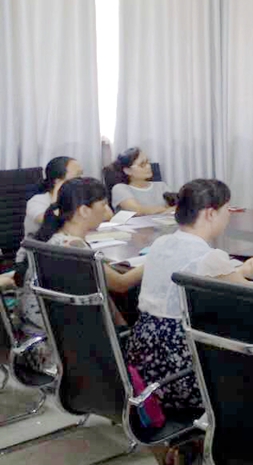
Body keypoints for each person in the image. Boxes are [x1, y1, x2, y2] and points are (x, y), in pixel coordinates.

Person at [127, 179, 253, 465]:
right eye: (226, 210)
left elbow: (208, 272)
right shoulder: (210, 257)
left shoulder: (161, 244)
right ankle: (238, 446)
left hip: (145, 365)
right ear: (210, 213)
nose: (228, 216)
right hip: (184, 374)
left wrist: (240, 269)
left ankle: (186, 443)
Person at [14, 178, 145, 372]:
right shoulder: (73, 248)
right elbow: (121, 284)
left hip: (34, 342)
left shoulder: (55, 240)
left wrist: (122, 328)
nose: (108, 211)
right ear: (84, 210)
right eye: (103, 205)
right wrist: (154, 259)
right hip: (56, 351)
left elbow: (100, 288)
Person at [24, 156, 82, 237]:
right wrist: (56, 199)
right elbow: (51, 222)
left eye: (82, 174)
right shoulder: (37, 202)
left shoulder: (77, 198)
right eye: (78, 177)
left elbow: (100, 216)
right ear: (58, 182)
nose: (82, 180)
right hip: (42, 244)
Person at [104, 147, 173, 215]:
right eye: (142, 164)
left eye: (148, 162)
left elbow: (177, 206)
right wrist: (165, 209)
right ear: (127, 170)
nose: (149, 166)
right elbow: (137, 210)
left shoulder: (161, 186)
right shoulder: (120, 188)